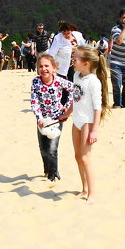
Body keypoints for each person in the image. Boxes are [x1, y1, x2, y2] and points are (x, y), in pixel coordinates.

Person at [70, 46, 112, 203]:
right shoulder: (76, 76)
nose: (73, 62)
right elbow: (75, 98)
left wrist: (95, 130)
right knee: (77, 156)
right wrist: (67, 113)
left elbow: (97, 107)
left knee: (86, 158)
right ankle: (84, 188)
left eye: (76, 59)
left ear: (86, 63)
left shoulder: (94, 82)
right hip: (76, 121)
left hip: (87, 123)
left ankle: (92, 193)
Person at [30, 54, 74, 182]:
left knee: (52, 148)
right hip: (42, 120)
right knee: (43, 148)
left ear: (54, 68)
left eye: (47, 66)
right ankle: (47, 170)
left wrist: (67, 107)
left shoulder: (59, 81)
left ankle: (53, 175)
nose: (44, 69)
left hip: (56, 119)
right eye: (41, 66)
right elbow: (34, 101)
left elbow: (75, 90)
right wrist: (39, 118)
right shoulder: (36, 82)